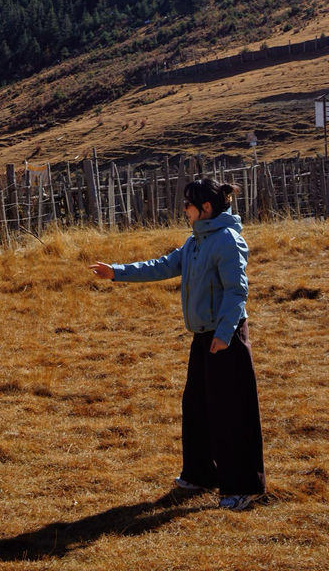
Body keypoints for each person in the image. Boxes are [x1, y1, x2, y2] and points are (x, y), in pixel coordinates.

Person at [89, 177, 266, 512]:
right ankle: (200, 474)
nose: (183, 210)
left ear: (206, 208)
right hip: (204, 337)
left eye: (188, 204)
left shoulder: (228, 241)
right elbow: (162, 266)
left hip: (224, 338)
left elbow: (237, 292)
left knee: (230, 413)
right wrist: (117, 272)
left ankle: (240, 487)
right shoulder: (194, 242)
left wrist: (224, 335)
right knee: (197, 407)